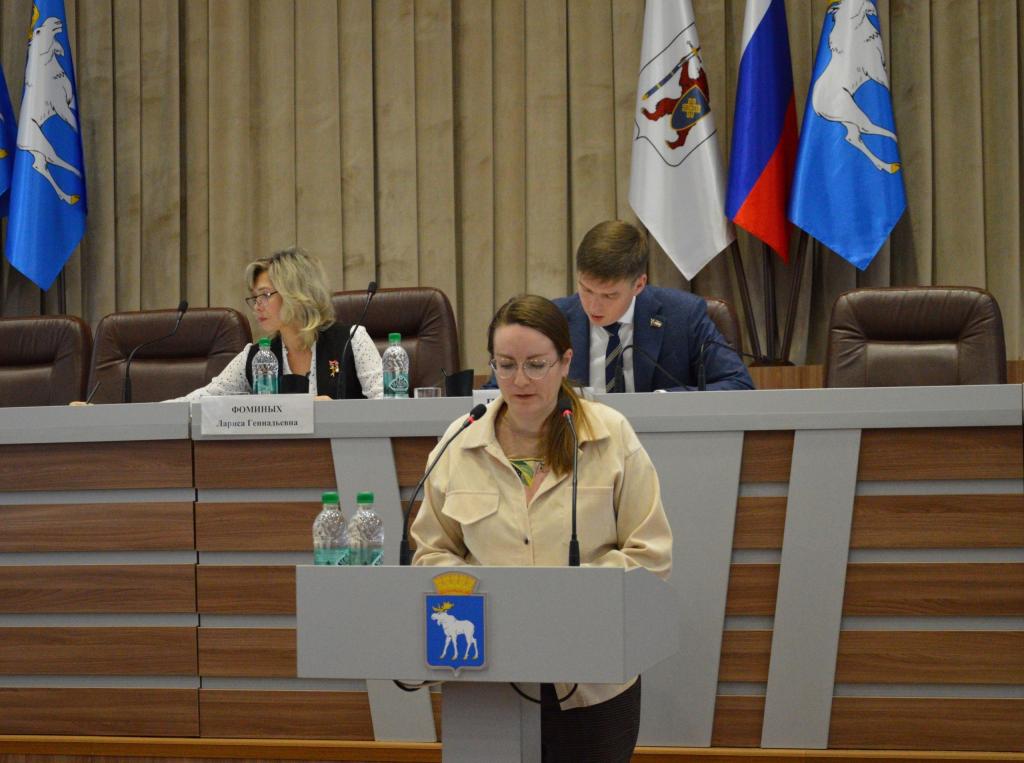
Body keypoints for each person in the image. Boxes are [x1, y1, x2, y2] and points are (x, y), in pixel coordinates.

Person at [411, 294, 672, 762]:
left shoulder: (612, 437)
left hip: (592, 679)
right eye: (506, 365)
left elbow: (650, 554)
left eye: (536, 365)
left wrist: (564, 599)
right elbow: (431, 552)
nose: (519, 380)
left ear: (565, 361)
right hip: (487, 679)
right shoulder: (459, 442)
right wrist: (487, 597)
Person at [557, 219, 754, 392]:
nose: (594, 306)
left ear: (639, 285)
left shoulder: (684, 315)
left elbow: (739, 384)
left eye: (609, 295)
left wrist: (663, 402)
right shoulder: (555, 318)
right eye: (587, 290)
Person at [176, 248, 383, 400]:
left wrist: (337, 412)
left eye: (265, 295)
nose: (257, 305)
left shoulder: (352, 341)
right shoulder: (256, 356)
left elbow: (387, 405)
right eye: (255, 297)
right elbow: (203, 399)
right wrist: (157, 414)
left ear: (296, 293)